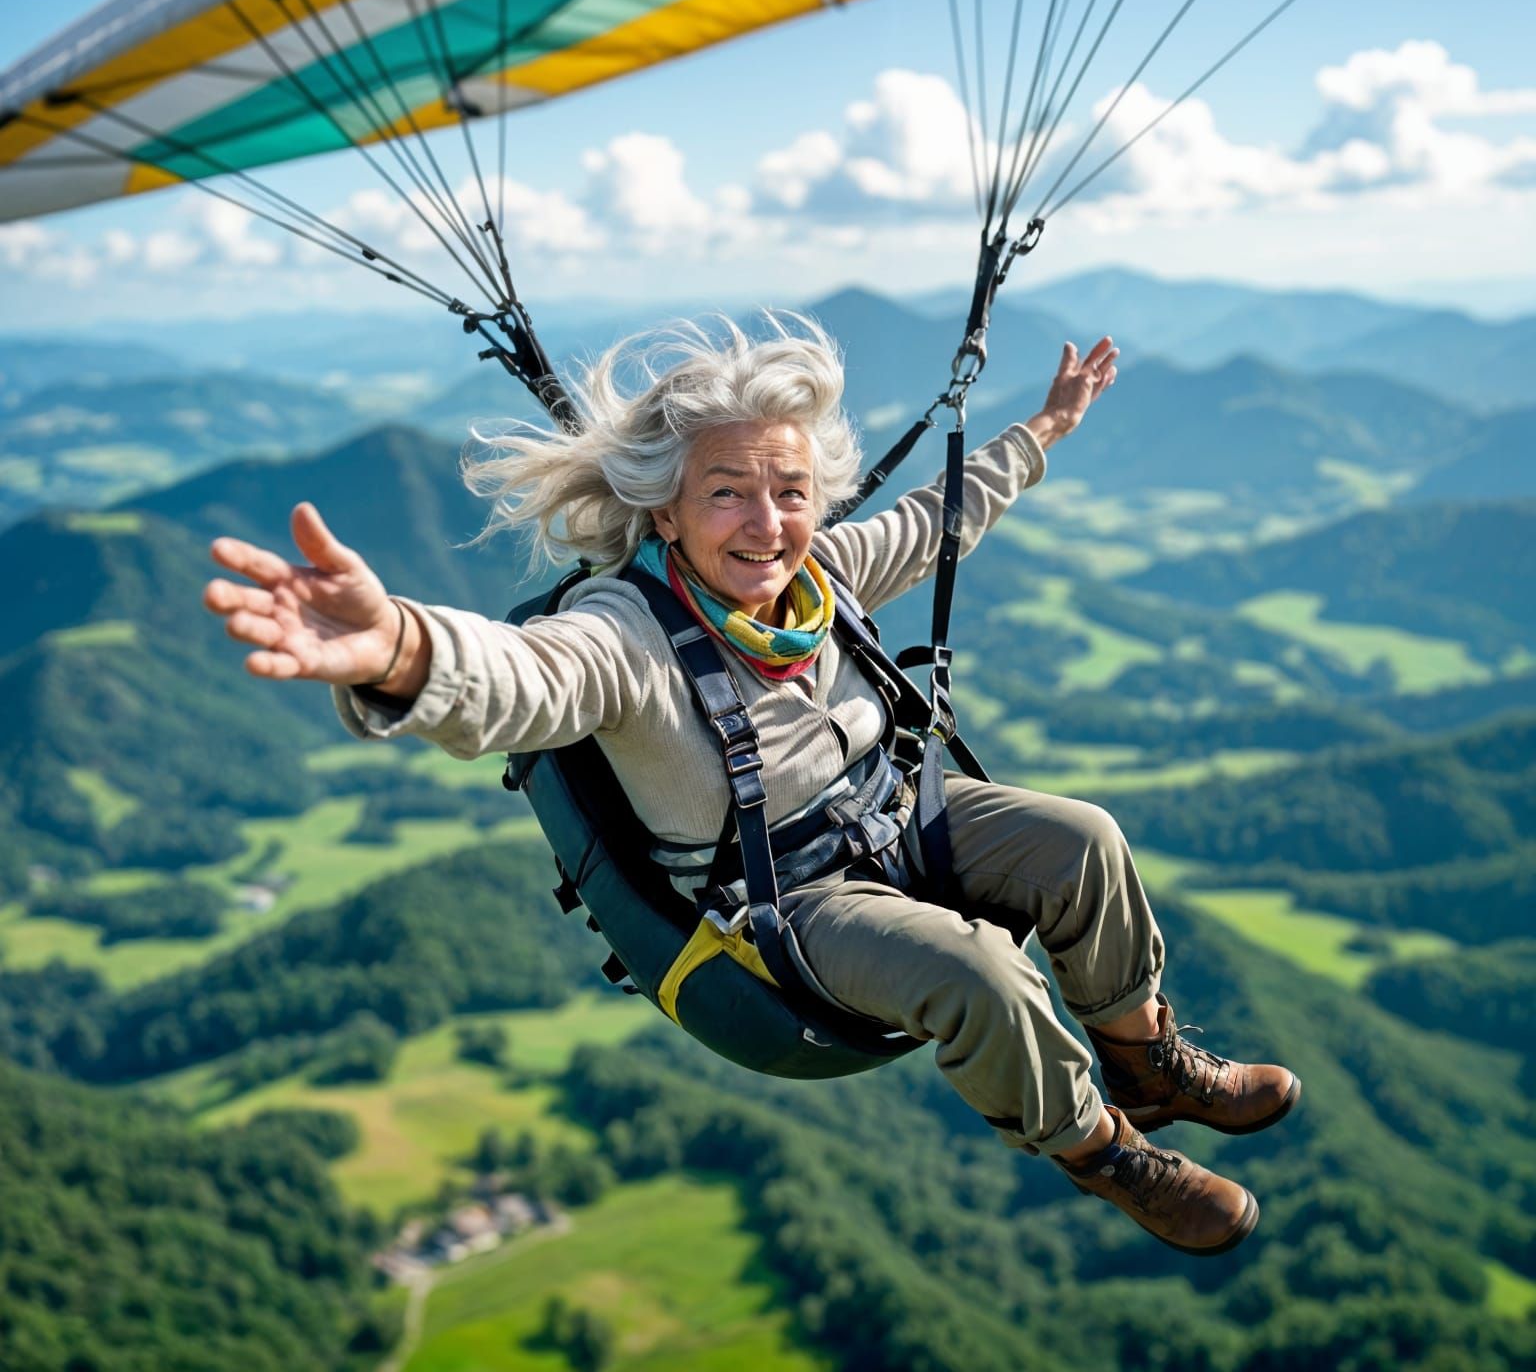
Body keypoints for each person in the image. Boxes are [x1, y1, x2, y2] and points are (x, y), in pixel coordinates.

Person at [203, 317, 1299, 1255]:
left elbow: (934, 522)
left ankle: (1144, 1056)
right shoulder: (626, 634)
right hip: (789, 905)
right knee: (986, 974)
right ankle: (1104, 1148)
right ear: (665, 513)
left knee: (1083, 840)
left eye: (789, 491)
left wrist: (1042, 431)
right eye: (728, 493)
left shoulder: (822, 579)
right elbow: (518, 680)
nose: (768, 522)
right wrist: (397, 648)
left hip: (901, 817)